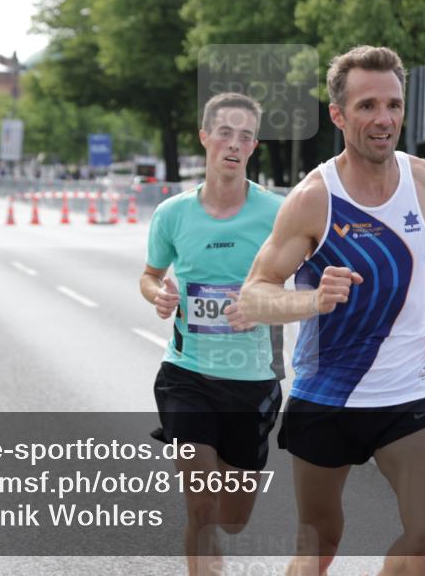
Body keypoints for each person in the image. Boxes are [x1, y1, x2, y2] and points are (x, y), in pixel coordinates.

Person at [227, 46, 425, 576]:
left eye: (393, 105)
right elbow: (254, 294)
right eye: (367, 106)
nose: (384, 119)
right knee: (320, 545)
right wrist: (312, 300)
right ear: (338, 115)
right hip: (327, 397)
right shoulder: (314, 198)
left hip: (409, 393)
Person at [138, 91, 284, 575]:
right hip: (187, 374)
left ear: (254, 146)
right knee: (200, 505)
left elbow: (304, 289)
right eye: (224, 133)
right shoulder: (173, 213)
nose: (234, 144)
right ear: (205, 137)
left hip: (251, 381)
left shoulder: (277, 214)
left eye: (245, 136)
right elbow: (150, 274)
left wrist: (263, 306)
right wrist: (158, 294)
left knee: (233, 519)